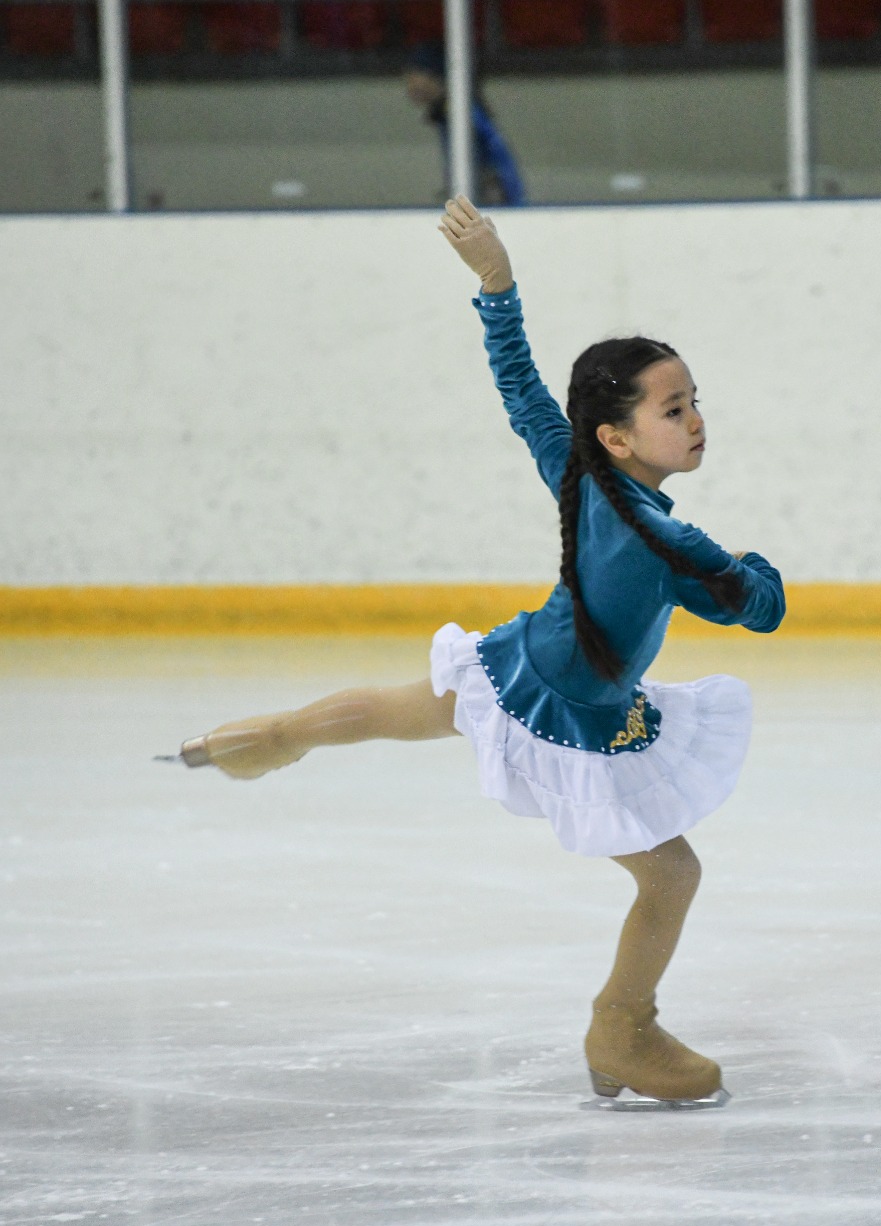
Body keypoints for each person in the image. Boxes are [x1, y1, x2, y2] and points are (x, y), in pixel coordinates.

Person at [166, 198, 785, 1107]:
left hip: (518, 661)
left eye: (695, 403)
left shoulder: (578, 472)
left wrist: (497, 284)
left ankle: (260, 738)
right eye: (674, 408)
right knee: (672, 874)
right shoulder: (668, 544)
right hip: (571, 710)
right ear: (616, 436)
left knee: (397, 710)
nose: (695, 421)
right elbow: (761, 610)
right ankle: (622, 1028)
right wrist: (745, 561)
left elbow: (520, 389)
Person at [405, 41, 526, 207]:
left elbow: (493, 153)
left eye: (416, 72)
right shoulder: (449, 113)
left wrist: (493, 191)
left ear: (438, 77)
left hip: (497, 206)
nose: (410, 82)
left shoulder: (461, 113)